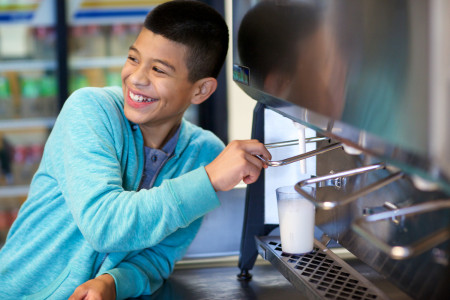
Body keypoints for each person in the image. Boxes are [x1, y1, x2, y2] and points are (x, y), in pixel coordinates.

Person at [0, 1, 271, 299]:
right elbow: (103, 224)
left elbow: (157, 258)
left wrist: (113, 283)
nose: (137, 78)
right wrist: (207, 180)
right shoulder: (91, 109)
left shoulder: (203, 155)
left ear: (201, 90)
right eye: (133, 58)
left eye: (158, 69)